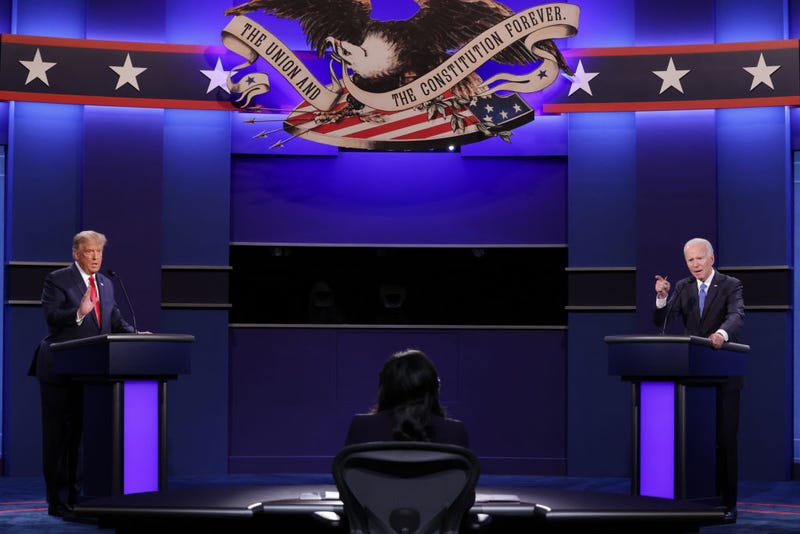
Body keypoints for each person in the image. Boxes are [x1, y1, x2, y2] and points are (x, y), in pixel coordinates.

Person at [28, 230, 135, 518]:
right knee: (59, 438)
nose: (96, 257)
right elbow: (52, 318)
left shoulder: (106, 283)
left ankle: (78, 496)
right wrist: (79, 311)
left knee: (81, 437)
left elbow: (112, 318)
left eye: (99, 252)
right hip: (60, 369)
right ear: (76, 253)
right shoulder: (58, 279)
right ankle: (58, 501)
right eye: (90, 251)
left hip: (92, 371)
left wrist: (136, 334)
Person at [653, 237, 745, 518]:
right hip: (693, 375)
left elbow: (737, 316)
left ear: (711, 259)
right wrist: (661, 297)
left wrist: (721, 334)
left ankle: (728, 504)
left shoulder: (731, 285)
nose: (695, 264)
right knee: (694, 439)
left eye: (699, 259)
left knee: (725, 440)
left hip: (724, 373)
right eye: (690, 260)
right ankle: (694, 499)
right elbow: (663, 322)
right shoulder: (682, 287)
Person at [344, 349, 469, 447]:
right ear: (434, 389)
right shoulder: (455, 432)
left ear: (384, 389)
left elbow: (348, 476)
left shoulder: (361, 427)